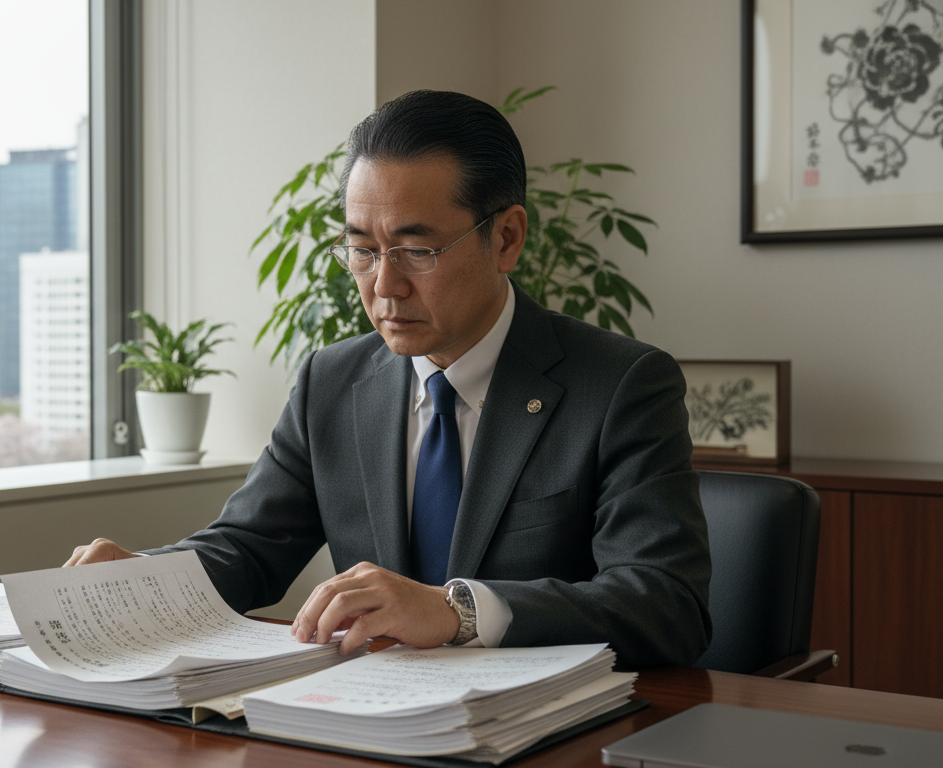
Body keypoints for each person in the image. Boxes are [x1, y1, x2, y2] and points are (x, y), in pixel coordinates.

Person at [67, 90, 711, 669]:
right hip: (370, 719)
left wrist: (456, 611)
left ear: (507, 238)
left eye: (416, 250)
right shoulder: (332, 380)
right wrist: (138, 579)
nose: (383, 285)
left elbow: (665, 604)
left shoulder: (623, 384)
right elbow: (249, 547)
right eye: (362, 250)